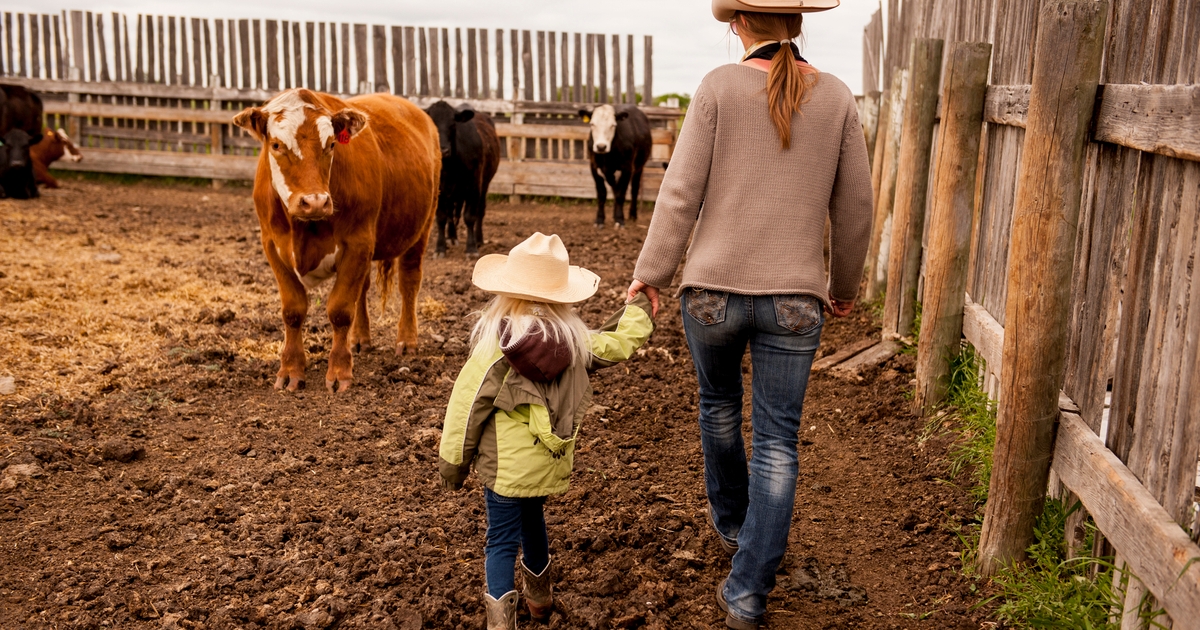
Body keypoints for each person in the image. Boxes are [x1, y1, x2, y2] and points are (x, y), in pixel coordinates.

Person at [626, 1, 873, 628]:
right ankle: (749, 589)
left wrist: (651, 273)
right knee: (778, 442)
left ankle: (735, 525)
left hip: (710, 293)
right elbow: (854, 208)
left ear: (737, 23)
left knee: (718, 408)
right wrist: (841, 285)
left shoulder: (715, 88)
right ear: (796, 25)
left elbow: (681, 192)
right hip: (795, 298)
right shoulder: (840, 98)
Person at [439, 232, 655, 630]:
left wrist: (454, 462)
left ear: (508, 291)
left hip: (504, 468)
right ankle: (540, 600)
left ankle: (501, 623)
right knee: (533, 519)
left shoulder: (495, 347)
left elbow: (466, 407)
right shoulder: (574, 342)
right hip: (546, 464)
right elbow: (617, 341)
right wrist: (639, 305)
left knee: (500, 540)